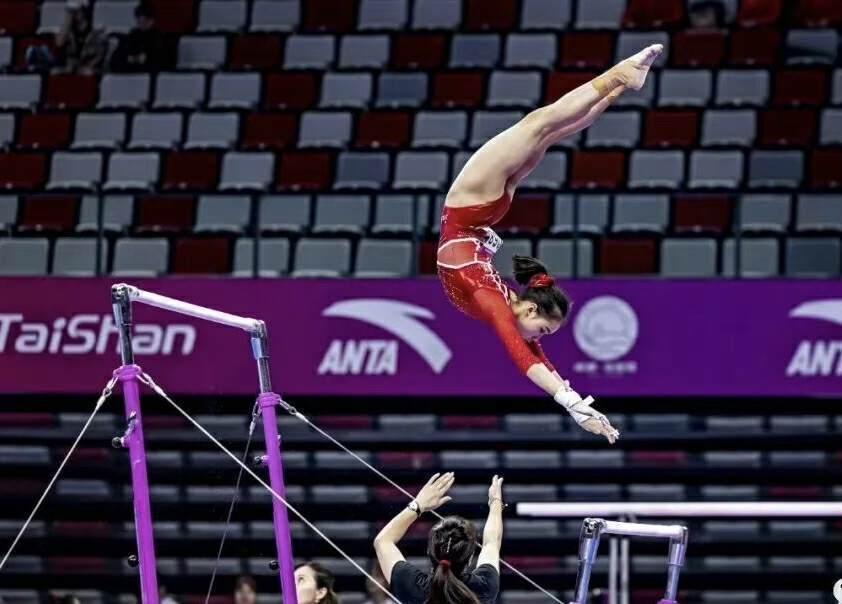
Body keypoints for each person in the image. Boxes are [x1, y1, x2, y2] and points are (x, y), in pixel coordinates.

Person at [436, 44, 664, 443]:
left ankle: (618, 81)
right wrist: (574, 402)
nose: (539, 338)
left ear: (526, 307)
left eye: (542, 330)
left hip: (469, 208)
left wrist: (572, 403)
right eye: (543, 329)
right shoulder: (503, 301)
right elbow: (535, 355)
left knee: (541, 127)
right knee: (544, 131)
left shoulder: (496, 304)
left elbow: (525, 356)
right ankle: (617, 84)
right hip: (479, 213)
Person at [374, 473, 502, 604]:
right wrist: (495, 502)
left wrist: (419, 505)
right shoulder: (485, 587)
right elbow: (491, 543)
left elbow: (383, 541)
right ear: (470, 559)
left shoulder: (413, 587)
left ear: (429, 552)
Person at [110, 2, 172, 73]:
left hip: (150, 74)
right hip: (130, 73)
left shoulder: (160, 38)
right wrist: (135, 59)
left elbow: (164, 62)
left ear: (152, 20)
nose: (142, 23)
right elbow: (116, 60)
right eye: (140, 20)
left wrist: (140, 59)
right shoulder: (131, 36)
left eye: (146, 20)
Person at [54, 0, 108, 74]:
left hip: (92, 69)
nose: (74, 15)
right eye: (71, 12)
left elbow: (99, 56)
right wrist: (67, 19)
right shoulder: (68, 30)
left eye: (76, 11)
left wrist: (88, 66)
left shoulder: (97, 32)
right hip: (72, 69)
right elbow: (59, 43)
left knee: (87, 72)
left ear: (84, 11)